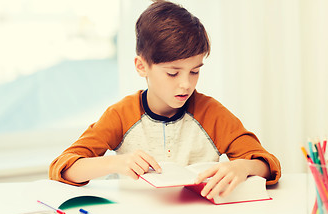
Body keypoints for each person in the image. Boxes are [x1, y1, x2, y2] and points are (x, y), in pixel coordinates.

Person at [49, 0, 281, 200]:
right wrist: (113, 164)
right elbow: (63, 167)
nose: (186, 84)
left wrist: (243, 166)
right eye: (173, 73)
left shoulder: (211, 113)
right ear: (142, 67)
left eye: (195, 71)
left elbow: (268, 165)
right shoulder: (121, 115)